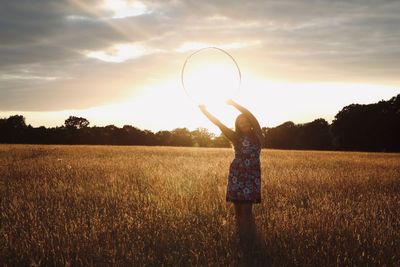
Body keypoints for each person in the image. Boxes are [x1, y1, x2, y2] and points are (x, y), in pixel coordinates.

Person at [199, 99, 264, 246]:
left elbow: (250, 115)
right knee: (238, 211)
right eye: (241, 122)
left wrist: (235, 104)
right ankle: (242, 240)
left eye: (246, 121)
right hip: (236, 176)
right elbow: (219, 124)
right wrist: (205, 111)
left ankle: (250, 241)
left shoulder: (259, 136)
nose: (245, 123)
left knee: (247, 210)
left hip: (251, 177)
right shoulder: (235, 138)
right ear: (238, 125)